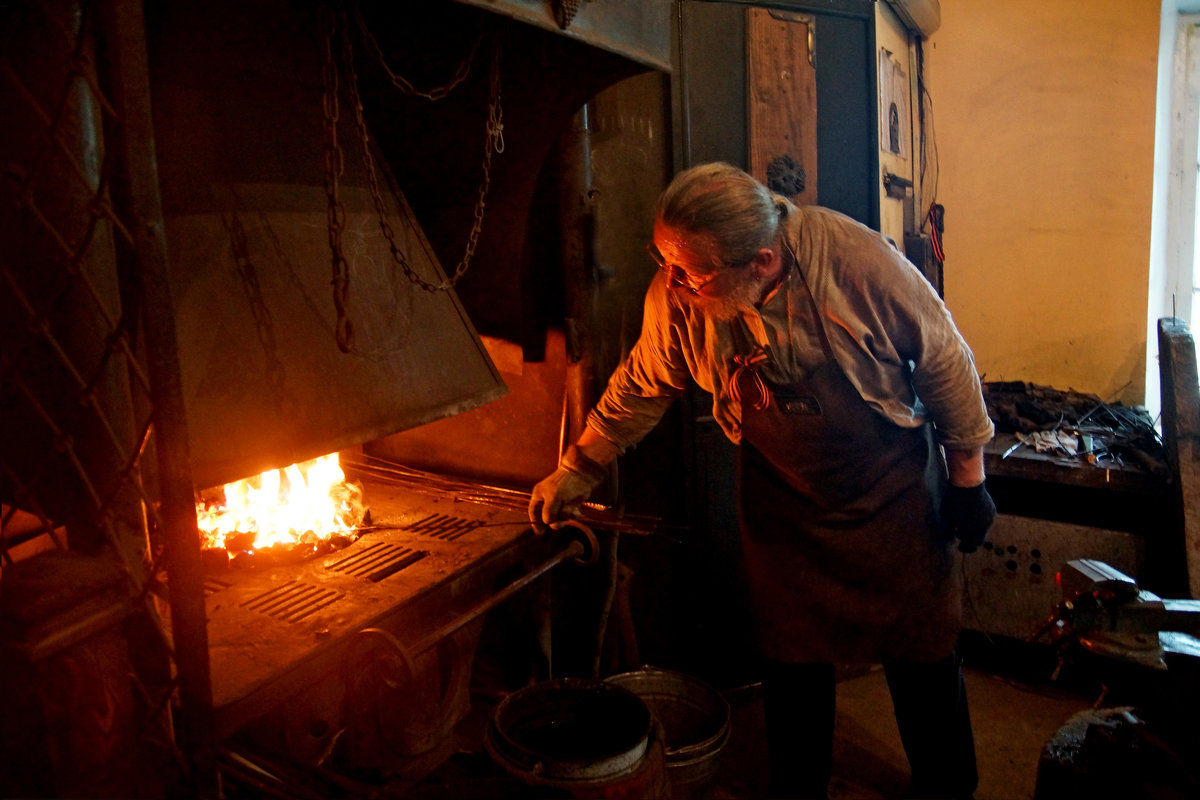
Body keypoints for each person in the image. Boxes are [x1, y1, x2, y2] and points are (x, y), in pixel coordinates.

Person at [528, 162, 996, 800]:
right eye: (665, 262)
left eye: (689, 271)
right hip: (786, 503)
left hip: (890, 494)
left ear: (762, 260)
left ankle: (947, 784)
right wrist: (577, 468)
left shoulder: (855, 263)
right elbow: (642, 383)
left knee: (922, 651)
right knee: (792, 658)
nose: (672, 282)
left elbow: (945, 357)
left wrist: (968, 480)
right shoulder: (681, 296)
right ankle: (799, 785)